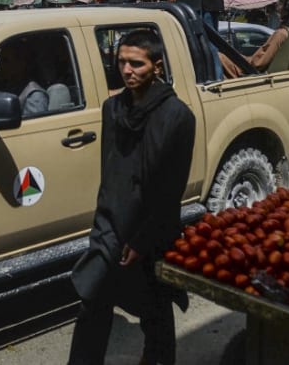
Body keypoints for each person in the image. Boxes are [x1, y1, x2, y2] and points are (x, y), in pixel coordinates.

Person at [68, 29, 195, 365]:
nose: (127, 70)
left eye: (136, 63)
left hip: (151, 229)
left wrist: (142, 239)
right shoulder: (112, 109)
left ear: (156, 65)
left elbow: (170, 189)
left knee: (155, 310)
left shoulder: (178, 117)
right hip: (111, 225)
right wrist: (105, 226)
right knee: (92, 304)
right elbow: (110, 175)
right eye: (122, 62)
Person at [221, 0, 289, 77]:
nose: (278, 8)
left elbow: (257, 64)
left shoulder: (282, 34)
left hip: (254, 76)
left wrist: (236, 57)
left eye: (280, 4)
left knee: (218, 57)